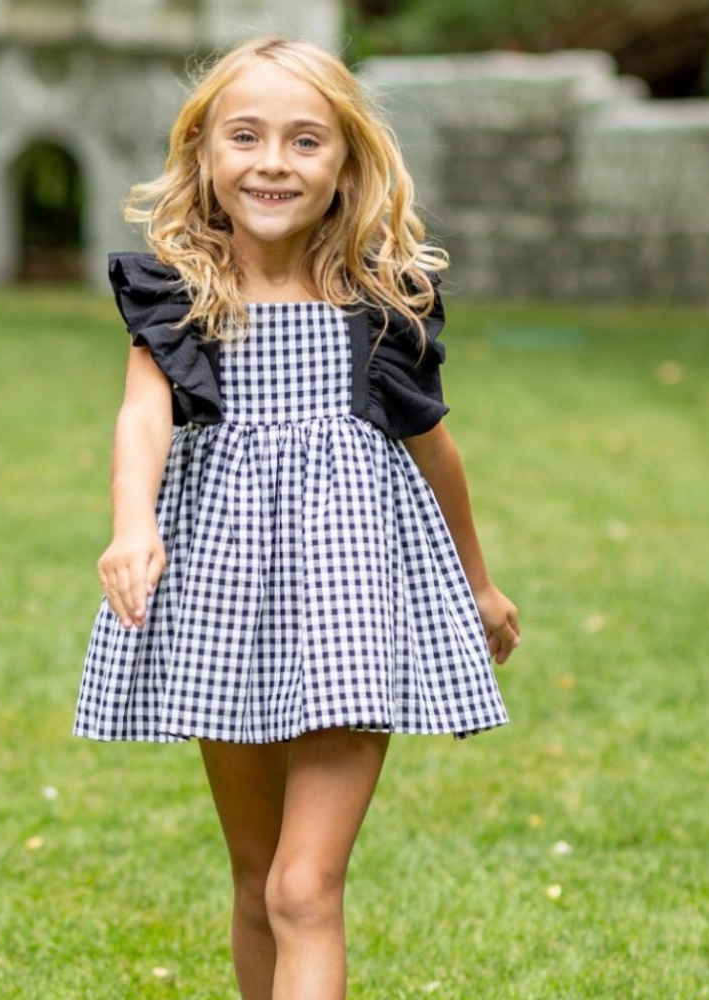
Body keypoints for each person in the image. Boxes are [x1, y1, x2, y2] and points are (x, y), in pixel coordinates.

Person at [72, 33, 520, 1000]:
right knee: (255, 877)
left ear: (346, 164)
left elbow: (434, 449)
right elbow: (143, 417)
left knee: (303, 886)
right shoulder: (181, 297)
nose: (272, 162)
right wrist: (132, 525)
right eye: (245, 136)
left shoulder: (380, 305)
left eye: (305, 141)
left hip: (350, 599)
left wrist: (478, 585)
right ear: (202, 154)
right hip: (227, 601)